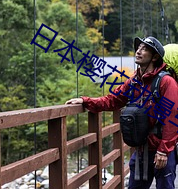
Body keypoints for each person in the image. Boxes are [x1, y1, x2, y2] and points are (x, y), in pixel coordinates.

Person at [65, 36, 178, 189]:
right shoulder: (133, 82)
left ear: (155, 57)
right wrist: (86, 101)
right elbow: (113, 100)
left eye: (144, 49)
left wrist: (164, 151)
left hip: (161, 150)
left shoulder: (166, 82)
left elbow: (172, 118)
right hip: (141, 149)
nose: (138, 51)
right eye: (138, 48)